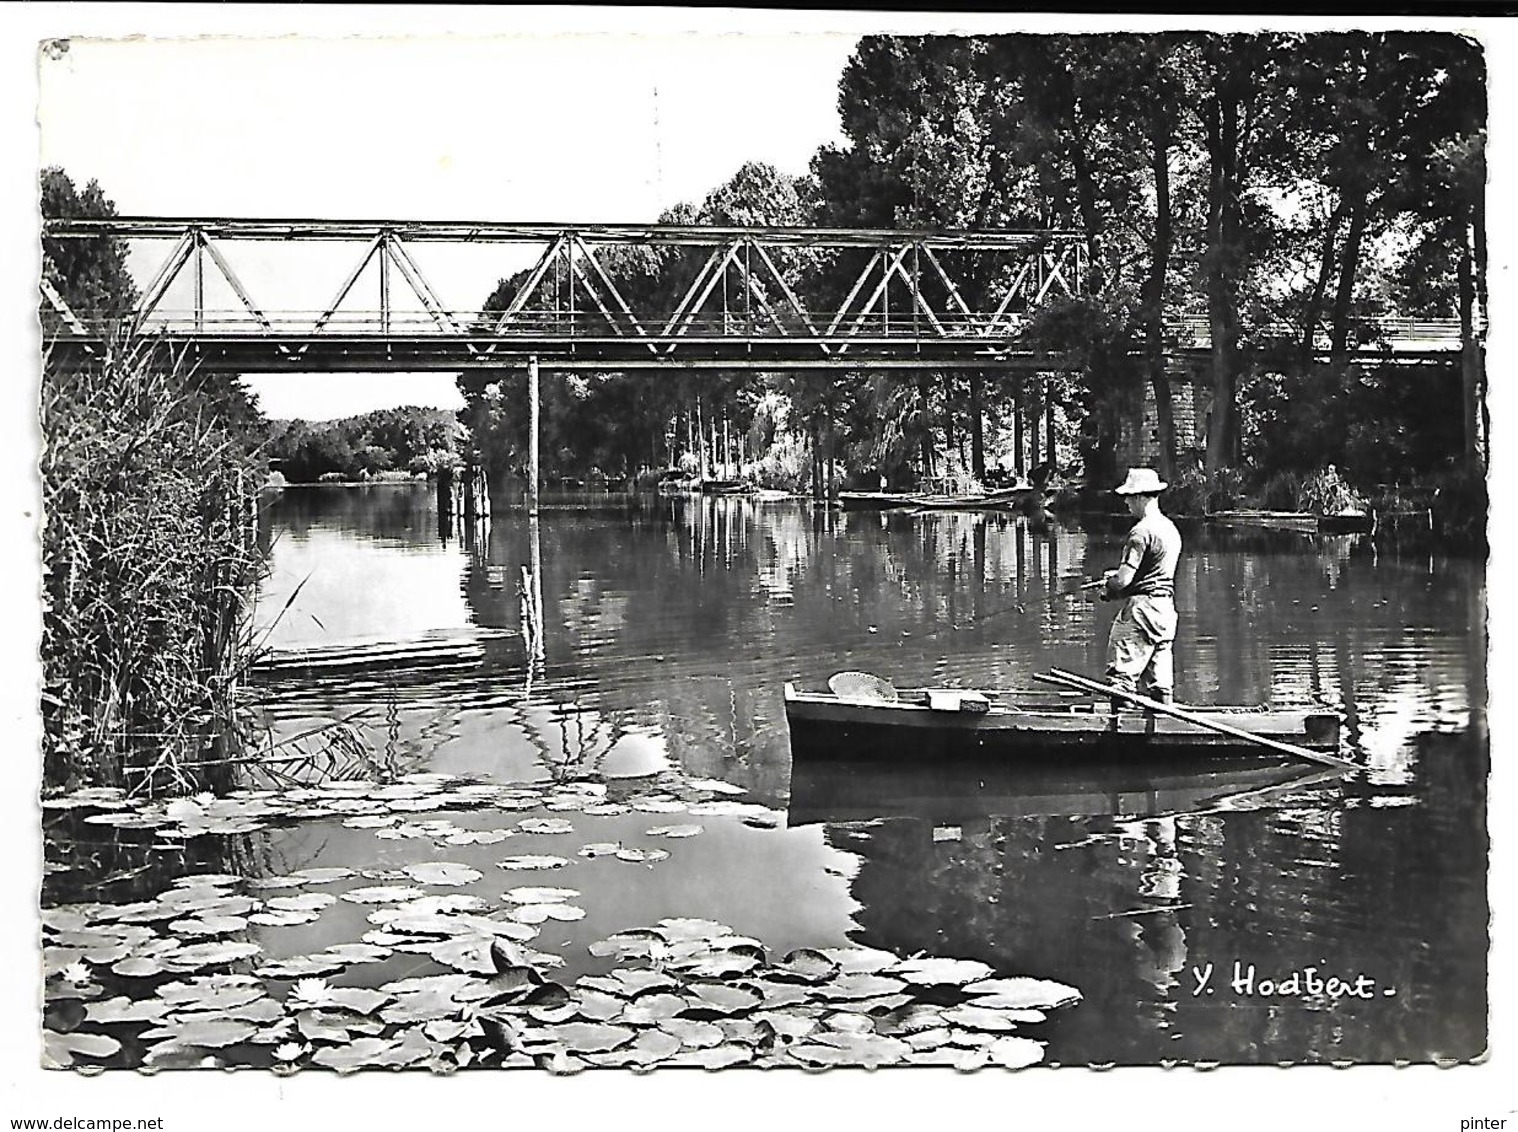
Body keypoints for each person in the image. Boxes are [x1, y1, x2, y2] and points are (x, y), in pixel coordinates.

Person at [1097, 467, 1182, 704]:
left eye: (1128, 497)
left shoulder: (1140, 532)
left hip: (1141, 612)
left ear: (1140, 497)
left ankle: (1119, 732)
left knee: (1121, 674)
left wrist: (1109, 586)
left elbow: (1123, 580)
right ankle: (1165, 727)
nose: (1125, 502)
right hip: (1165, 610)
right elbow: (1152, 574)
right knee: (1160, 680)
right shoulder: (1171, 529)